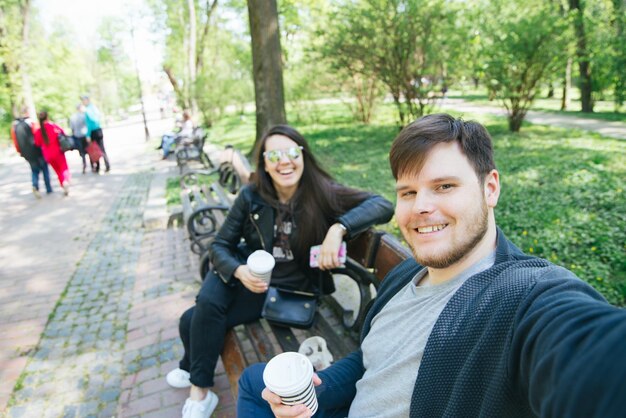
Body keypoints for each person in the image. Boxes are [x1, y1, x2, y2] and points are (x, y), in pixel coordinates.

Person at [237, 114, 626, 418]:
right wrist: (312, 393)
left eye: (444, 186)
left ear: (490, 188)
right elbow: (373, 358)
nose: (421, 206)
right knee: (256, 382)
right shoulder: (409, 273)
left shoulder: (522, 295)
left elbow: (589, 356)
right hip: (344, 403)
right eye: (408, 192)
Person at [166, 125, 394, 418]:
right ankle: (197, 380)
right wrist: (238, 271)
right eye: (274, 154)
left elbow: (383, 204)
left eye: (291, 152)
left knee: (195, 318)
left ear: (302, 155)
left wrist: (339, 228)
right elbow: (221, 245)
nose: (284, 161)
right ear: (264, 162)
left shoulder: (322, 193)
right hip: (255, 287)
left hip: (291, 292)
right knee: (196, 316)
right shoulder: (252, 197)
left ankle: (194, 376)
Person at [11, 106, 52, 198]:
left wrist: (20, 152)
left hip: (27, 153)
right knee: (44, 168)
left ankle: (35, 186)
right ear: (27, 113)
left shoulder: (15, 126)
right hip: (37, 150)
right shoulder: (32, 123)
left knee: (34, 170)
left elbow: (15, 141)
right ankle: (48, 188)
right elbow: (39, 136)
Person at [33, 111, 71, 196]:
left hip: (48, 155)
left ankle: (62, 184)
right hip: (58, 152)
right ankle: (65, 181)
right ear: (47, 117)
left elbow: (37, 143)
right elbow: (63, 133)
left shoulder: (39, 131)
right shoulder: (53, 126)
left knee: (57, 171)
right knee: (63, 168)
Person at [81, 95, 110, 173]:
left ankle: (98, 167)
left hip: (94, 132)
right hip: (98, 130)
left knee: (95, 149)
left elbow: (90, 123)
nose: (82, 102)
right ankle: (106, 165)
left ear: (87, 100)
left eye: (83, 100)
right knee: (101, 149)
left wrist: (88, 135)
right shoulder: (94, 108)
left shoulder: (88, 110)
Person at [69, 103, 88, 174]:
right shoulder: (84, 116)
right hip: (85, 135)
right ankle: (92, 165)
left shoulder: (72, 117)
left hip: (77, 136)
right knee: (88, 150)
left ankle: (84, 164)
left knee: (82, 152)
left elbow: (72, 128)